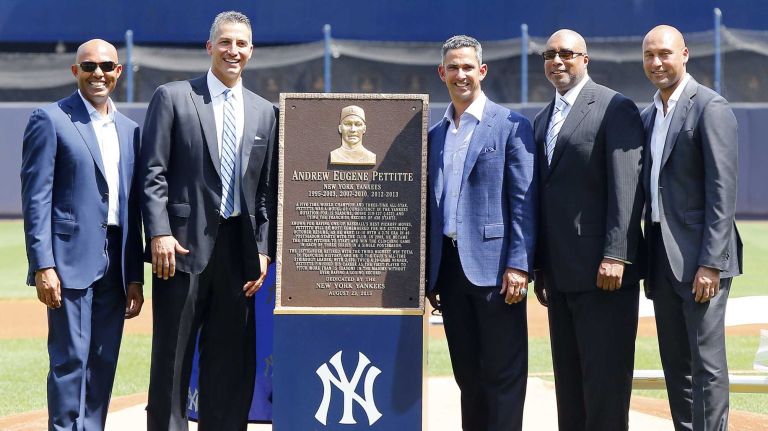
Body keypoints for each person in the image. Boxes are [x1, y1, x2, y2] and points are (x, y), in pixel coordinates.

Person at [140, 11, 278, 431]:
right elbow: (152, 174)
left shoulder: (265, 112)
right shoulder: (174, 97)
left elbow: (266, 192)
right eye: (225, 42)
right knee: (173, 360)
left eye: (241, 44)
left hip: (238, 255)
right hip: (179, 251)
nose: (233, 51)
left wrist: (262, 247)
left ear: (251, 51)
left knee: (230, 363)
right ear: (209, 47)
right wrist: (159, 232)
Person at [20, 39, 144, 431]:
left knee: (104, 360)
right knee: (70, 358)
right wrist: (43, 264)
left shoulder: (131, 131)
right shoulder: (51, 118)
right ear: (75, 72)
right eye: (88, 67)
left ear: (118, 71)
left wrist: (136, 275)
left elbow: (133, 205)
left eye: (107, 66)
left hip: (117, 261)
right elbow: (35, 197)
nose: (98, 74)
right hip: (69, 259)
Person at [532, 29, 644, 431]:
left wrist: (617, 254)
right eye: (549, 54)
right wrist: (541, 268)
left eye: (566, 53)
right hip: (561, 277)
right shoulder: (542, 119)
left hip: (604, 274)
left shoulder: (615, 107)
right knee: (570, 385)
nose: (557, 61)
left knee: (605, 387)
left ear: (585, 59)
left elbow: (626, 187)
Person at [426, 35, 536, 431]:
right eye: (453, 67)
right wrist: (431, 273)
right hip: (451, 272)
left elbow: (523, 201)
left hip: (497, 272)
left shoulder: (510, 125)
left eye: (468, 67)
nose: (461, 74)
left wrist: (519, 265)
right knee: (468, 378)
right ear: (442, 73)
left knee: (504, 378)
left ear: (482, 71)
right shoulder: (435, 135)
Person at [640, 25, 742, 431]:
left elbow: (722, 191)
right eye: (649, 55)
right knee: (676, 365)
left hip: (702, 261)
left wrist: (712, 264)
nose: (657, 63)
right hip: (662, 259)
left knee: (707, 365)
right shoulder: (649, 114)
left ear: (685, 54)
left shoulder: (710, 107)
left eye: (665, 54)